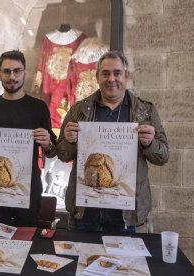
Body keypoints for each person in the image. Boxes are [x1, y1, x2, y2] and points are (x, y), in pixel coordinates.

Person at [57, 50, 169, 232]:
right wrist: (69, 141)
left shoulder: (145, 111)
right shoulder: (79, 110)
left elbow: (163, 156)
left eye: (117, 73)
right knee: (79, 258)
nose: (111, 79)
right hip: (85, 211)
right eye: (105, 73)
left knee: (121, 261)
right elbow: (62, 154)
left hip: (123, 213)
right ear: (97, 76)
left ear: (126, 76)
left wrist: (150, 143)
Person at [0, 50, 57, 227]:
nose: (12, 76)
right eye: (7, 71)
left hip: (28, 187)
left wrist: (47, 143)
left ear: (25, 73)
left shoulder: (38, 107)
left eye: (17, 71)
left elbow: (52, 151)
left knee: (27, 236)